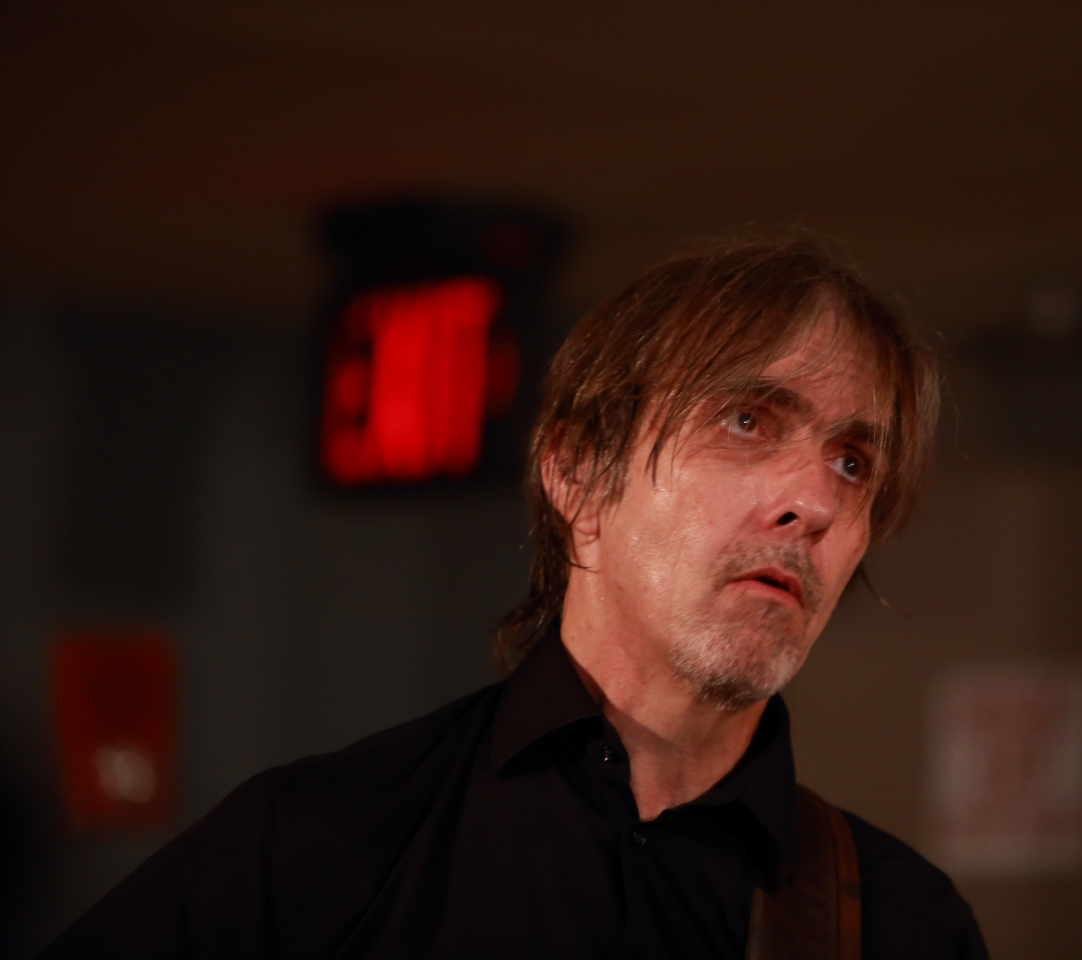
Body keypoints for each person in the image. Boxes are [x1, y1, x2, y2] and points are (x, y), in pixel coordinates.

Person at [43, 240, 988, 959]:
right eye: (748, 420)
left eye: (851, 463)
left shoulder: (900, 923)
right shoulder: (317, 845)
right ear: (578, 476)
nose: (814, 501)